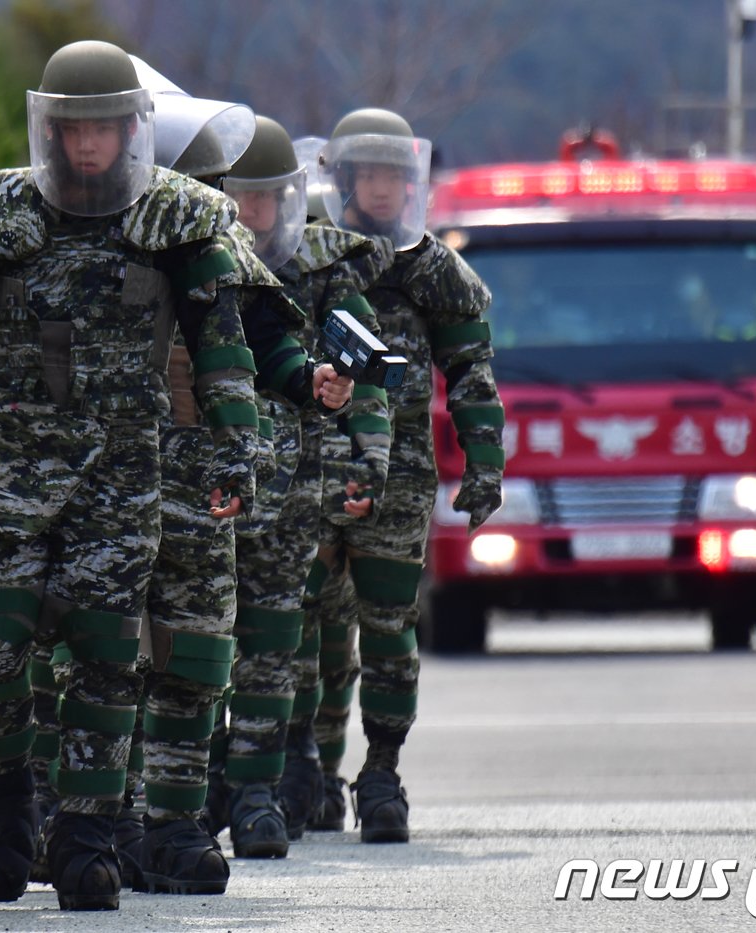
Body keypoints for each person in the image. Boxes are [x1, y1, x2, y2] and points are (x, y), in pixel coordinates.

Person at [0, 40, 261, 912]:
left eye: (105, 131)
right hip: (11, 474)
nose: (89, 148)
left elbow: (221, 346)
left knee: (106, 655)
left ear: (132, 131)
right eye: (75, 131)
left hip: (123, 478)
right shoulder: (1, 220)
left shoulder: (178, 224)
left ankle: (85, 839)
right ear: (53, 131)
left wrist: (237, 445)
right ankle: (7, 816)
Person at [298, 107, 503, 843]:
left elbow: (472, 369)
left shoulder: (433, 270)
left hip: (404, 473)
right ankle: (308, 765)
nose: (382, 189)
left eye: (395, 175)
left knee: (387, 625)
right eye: (369, 174)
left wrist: (484, 463)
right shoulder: (309, 255)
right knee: (305, 620)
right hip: (310, 467)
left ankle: (380, 770)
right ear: (345, 178)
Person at [208, 116, 394, 854]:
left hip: (291, 488)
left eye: (266, 198)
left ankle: (268, 780)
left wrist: (366, 461)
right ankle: (188, 788)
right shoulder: (196, 258)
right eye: (239, 196)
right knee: (188, 637)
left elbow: (366, 370)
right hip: (204, 481)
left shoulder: (323, 269)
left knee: (278, 638)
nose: (253, 214)